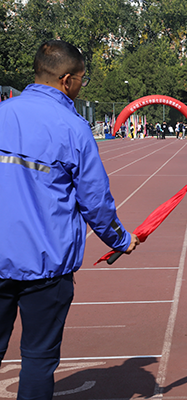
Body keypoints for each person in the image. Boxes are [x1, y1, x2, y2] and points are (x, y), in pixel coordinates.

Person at [0, 40, 139, 400]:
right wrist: (121, 240)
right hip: (46, 265)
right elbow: (95, 200)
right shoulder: (73, 127)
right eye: (82, 79)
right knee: (37, 358)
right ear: (66, 80)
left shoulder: (3, 113)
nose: (81, 85)